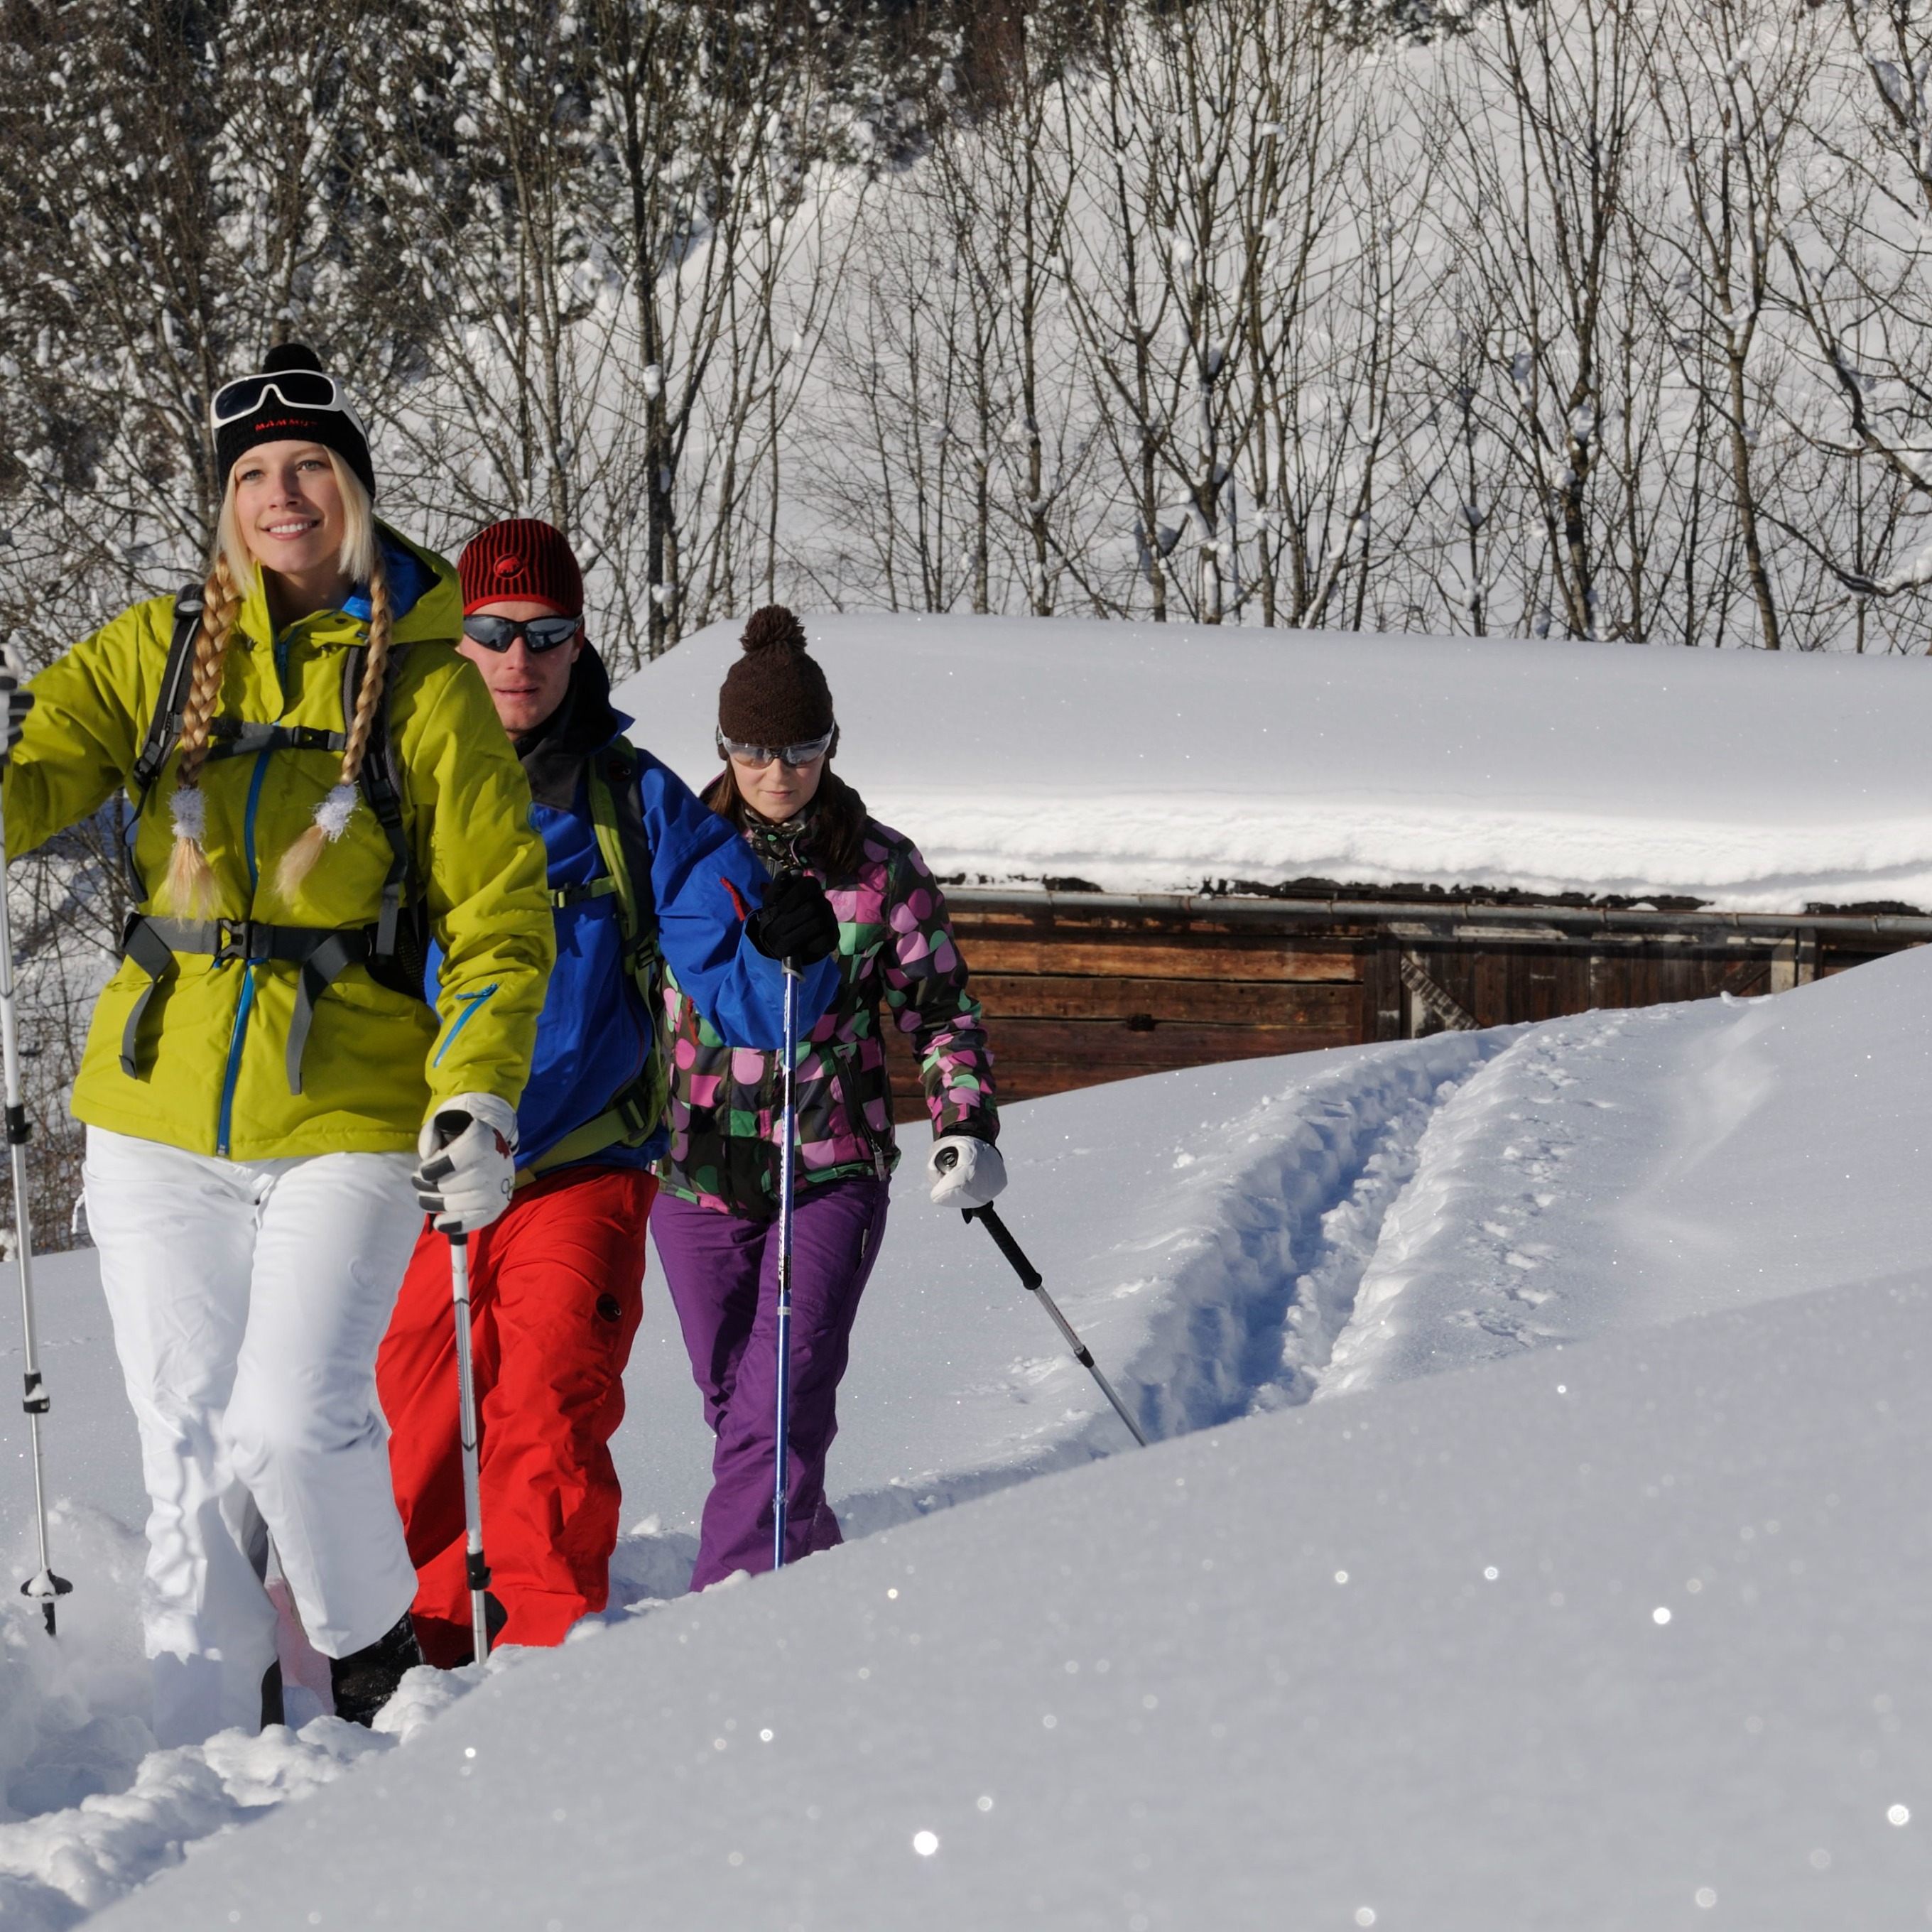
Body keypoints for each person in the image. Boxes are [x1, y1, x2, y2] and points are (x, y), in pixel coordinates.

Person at [0, 344, 553, 1743]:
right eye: (252, 473)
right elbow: (43, 769)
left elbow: (498, 912)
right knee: (189, 1455)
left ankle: (377, 1679)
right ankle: (214, 1760)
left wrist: (479, 1096)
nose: (282, 493)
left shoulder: (428, 676)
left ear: (353, 485)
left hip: (350, 1109)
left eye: (308, 464)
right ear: (224, 500)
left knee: (293, 1422)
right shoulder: (168, 646)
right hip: (153, 1110)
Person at [376, 523, 840, 1663]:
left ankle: (540, 1660)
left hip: (576, 1165)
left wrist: (796, 945)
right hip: (420, 1169)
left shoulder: (632, 802)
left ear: (582, 645)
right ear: (455, 638)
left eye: (547, 635)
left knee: (544, 1405)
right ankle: (429, 1650)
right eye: (491, 633)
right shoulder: (390, 782)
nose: (518, 658)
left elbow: (746, 991)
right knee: (422, 1406)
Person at [651, 607, 1006, 1588]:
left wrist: (962, 1120)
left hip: (829, 1163)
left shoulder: (879, 866)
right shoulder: (681, 856)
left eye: (801, 749)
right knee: (743, 1403)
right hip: (695, 1172)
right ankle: (818, 1585)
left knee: (781, 1395)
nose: (778, 773)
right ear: (724, 748)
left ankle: (731, 1609)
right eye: (756, 751)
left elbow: (939, 1007)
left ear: (831, 744)